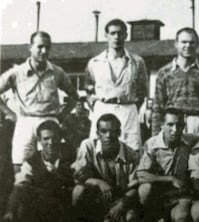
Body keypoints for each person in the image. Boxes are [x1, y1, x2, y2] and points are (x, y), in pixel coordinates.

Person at [0, 31, 78, 172]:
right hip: (26, 121)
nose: (44, 51)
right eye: (40, 47)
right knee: (20, 162)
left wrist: (62, 115)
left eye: (47, 47)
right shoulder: (17, 72)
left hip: (50, 121)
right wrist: (10, 113)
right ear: (30, 47)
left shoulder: (57, 72)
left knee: (51, 164)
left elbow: (74, 96)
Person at [85, 18, 148, 151]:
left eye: (120, 33)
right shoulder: (95, 62)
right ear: (106, 35)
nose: (116, 37)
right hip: (104, 109)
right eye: (112, 33)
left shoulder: (137, 62)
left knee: (132, 149)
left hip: (128, 109)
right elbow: (89, 90)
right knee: (100, 150)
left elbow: (142, 91)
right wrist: (98, 106)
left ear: (126, 35)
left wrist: (130, 106)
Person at [135, 107, 199, 221]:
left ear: (184, 126)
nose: (175, 129)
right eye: (170, 124)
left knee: (182, 217)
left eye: (179, 125)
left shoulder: (190, 141)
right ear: (162, 125)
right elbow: (141, 174)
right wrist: (169, 179)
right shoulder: (152, 144)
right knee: (145, 189)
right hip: (158, 193)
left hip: (180, 194)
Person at [71, 114, 140, 222]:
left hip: (120, 199)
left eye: (113, 131)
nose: (108, 135)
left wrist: (121, 204)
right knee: (78, 190)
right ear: (98, 134)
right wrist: (99, 182)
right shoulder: (88, 146)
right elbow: (78, 177)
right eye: (104, 131)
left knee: (131, 216)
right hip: (96, 197)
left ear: (119, 133)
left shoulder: (131, 155)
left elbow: (135, 186)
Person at [151, 27, 199, 136]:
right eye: (184, 42)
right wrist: (155, 135)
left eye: (192, 42)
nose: (188, 46)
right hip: (173, 123)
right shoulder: (164, 72)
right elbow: (157, 106)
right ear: (176, 44)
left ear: (197, 44)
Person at [3, 120, 74, 222]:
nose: (51, 143)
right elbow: (19, 186)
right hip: (43, 208)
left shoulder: (71, 155)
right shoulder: (32, 162)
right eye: (46, 139)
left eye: (55, 138)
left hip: (67, 207)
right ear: (39, 141)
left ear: (60, 138)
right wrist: (10, 211)